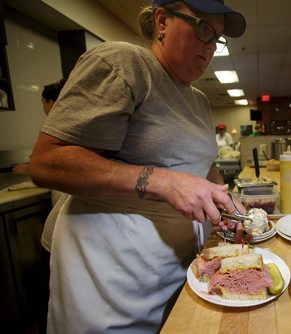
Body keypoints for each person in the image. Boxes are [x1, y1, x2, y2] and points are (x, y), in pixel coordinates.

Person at [28, 0, 246, 333]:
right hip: (114, 275)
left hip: (177, 265)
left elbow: (205, 166)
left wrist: (226, 203)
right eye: (202, 29)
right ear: (162, 21)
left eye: (216, 38)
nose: (210, 47)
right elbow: (46, 162)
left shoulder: (199, 100)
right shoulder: (126, 64)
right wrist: (163, 181)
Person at [12, 79, 66, 175]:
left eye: (43, 102)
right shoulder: (72, 122)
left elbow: (55, 166)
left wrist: (27, 169)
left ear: (50, 102)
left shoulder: (54, 125)